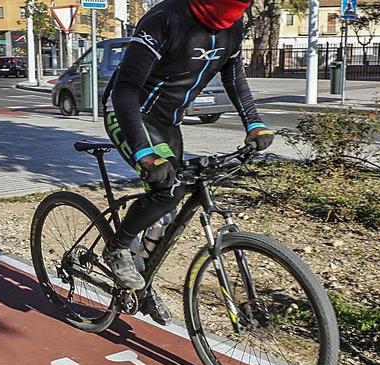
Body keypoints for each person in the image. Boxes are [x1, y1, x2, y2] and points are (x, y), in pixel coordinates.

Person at [100, 0, 275, 308]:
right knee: (166, 191)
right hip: (129, 113)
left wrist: (254, 123)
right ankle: (118, 245)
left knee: (170, 205)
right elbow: (124, 89)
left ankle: (141, 283)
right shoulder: (166, 18)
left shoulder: (233, 25)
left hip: (167, 123)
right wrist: (145, 153)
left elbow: (233, 77)